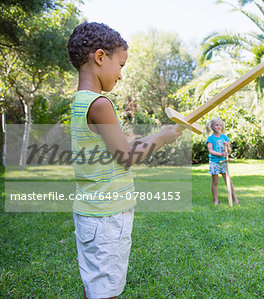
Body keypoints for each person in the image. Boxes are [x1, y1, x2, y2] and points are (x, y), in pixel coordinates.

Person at [67, 22, 182, 298]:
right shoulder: (100, 104)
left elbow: (118, 149)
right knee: (106, 292)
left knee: (95, 286)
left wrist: (159, 134)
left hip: (90, 212)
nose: (120, 75)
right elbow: (126, 157)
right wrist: (162, 139)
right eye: (120, 65)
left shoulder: (80, 101)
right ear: (99, 57)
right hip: (107, 216)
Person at [206, 117, 239, 205]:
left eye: (220, 125)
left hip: (224, 162)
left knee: (228, 181)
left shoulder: (225, 137)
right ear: (212, 126)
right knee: (215, 182)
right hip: (214, 162)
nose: (219, 127)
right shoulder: (211, 138)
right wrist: (220, 154)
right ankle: (216, 200)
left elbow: (229, 150)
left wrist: (227, 146)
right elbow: (210, 151)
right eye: (216, 125)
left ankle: (234, 198)